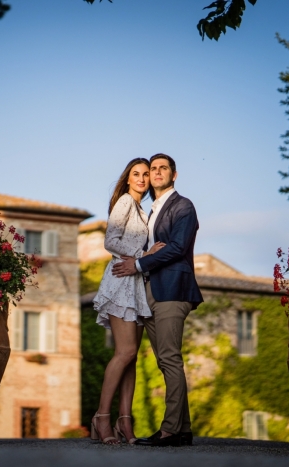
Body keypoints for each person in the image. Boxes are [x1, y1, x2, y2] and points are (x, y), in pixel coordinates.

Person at [112, 153, 203, 447]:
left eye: (164, 168)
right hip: (151, 291)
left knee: (169, 359)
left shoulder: (182, 206)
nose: (157, 172)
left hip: (173, 289)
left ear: (174, 175)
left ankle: (170, 430)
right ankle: (183, 429)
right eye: (153, 169)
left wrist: (137, 265)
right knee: (167, 362)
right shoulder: (150, 210)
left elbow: (177, 247)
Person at [91, 158, 166, 445]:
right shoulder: (124, 201)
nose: (142, 178)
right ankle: (101, 418)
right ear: (127, 178)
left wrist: (142, 258)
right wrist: (143, 256)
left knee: (131, 357)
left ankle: (125, 421)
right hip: (121, 282)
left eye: (146, 174)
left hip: (135, 283)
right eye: (136, 174)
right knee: (125, 352)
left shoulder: (141, 209)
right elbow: (111, 240)